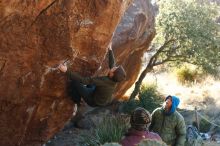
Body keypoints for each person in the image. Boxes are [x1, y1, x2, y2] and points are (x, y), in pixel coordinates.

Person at [58, 43, 126, 107]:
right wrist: (110, 49)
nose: (115, 66)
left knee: (75, 82)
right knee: (91, 82)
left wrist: (66, 71)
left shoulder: (105, 81)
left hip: (93, 101)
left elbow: (84, 81)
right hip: (96, 93)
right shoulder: (114, 78)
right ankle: (83, 92)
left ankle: (77, 101)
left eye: (115, 68)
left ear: (112, 74)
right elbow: (112, 65)